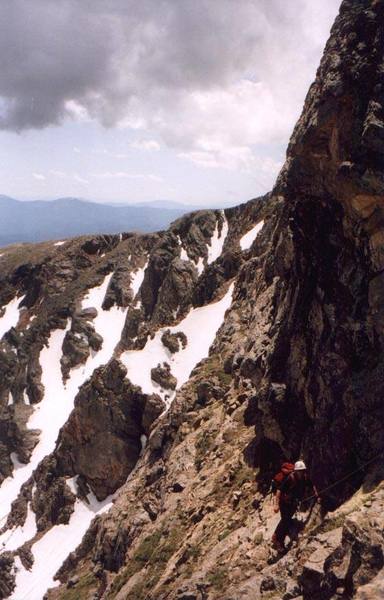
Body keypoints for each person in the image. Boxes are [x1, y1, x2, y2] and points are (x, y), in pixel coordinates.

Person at [272, 460, 320, 551]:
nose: (301, 473)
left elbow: (312, 485)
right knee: (285, 520)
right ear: (296, 471)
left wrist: (316, 495)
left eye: (302, 471)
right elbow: (279, 491)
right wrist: (276, 505)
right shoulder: (290, 478)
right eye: (299, 471)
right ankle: (277, 540)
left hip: (294, 503)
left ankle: (278, 537)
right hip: (285, 503)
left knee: (287, 520)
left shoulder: (305, 478)